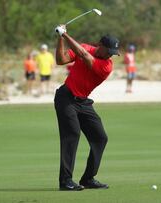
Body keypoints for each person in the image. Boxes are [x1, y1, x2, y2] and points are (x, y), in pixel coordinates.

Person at [54, 24, 119, 191]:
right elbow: (60, 60)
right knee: (72, 134)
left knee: (100, 137)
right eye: (109, 50)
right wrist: (60, 38)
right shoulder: (84, 47)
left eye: (113, 53)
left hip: (83, 103)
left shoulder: (106, 66)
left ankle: (88, 178)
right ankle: (65, 181)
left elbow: (84, 56)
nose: (110, 55)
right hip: (66, 98)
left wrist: (66, 35)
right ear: (100, 45)